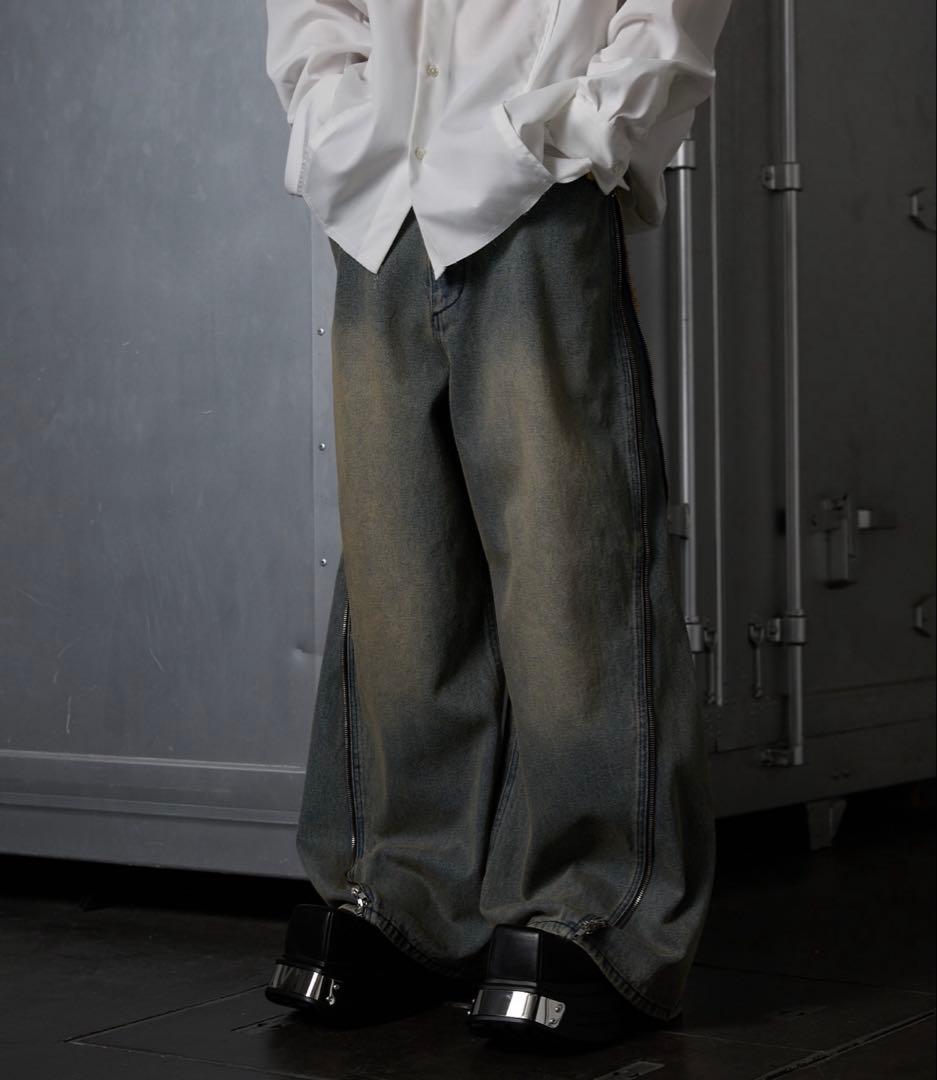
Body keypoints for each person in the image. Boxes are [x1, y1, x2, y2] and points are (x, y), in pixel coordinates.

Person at [262, 0, 732, 1047]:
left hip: (536, 185)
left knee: (572, 560)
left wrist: (569, 134)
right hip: (380, 196)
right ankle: (409, 893)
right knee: (398, 570)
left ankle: (597, 908)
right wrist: (338, 125)